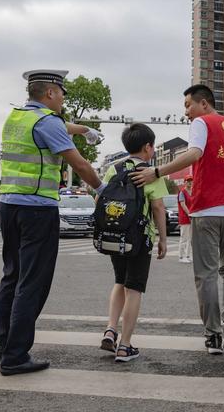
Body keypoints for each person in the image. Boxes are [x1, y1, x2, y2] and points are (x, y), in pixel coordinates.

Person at [131, 84, 224, 354]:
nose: (186, 112)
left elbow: (194, 154)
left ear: (203, 103)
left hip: (207, 208)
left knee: (206, 274)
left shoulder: (201, 123)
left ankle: (214, 335)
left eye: (188, 105)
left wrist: (156, 171)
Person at [0, 69, 107, 376]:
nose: (63, 99)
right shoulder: (48, 122)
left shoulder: (17, 118)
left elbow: (58, 127)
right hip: (37, 209)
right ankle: (16, 356)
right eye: (61, 93)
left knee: (12, 275)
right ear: (50, 94)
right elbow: (79, 164)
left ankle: (4, 341)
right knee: (33, 282)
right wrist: (103, 190)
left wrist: (82, 129)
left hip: (9, 205)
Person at [100, 123, 168, 362]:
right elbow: (158, 207)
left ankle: (110, 329)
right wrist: (162, 239)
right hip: (140, 238)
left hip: (115, 236)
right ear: (148, 147)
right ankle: (125, 346)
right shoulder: (150, 172)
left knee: (120, 281)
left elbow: (100, 197)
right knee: (134, 288)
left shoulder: (113, 168)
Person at [177, 174, 193, 263]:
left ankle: (188, 255)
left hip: (192, 218)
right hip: (185, 218)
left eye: (191, 181)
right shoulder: (182, 192)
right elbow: (183, 205)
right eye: (188, 181)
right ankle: (181, 256)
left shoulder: (193, 191)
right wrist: (190, 214)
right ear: (184, 182)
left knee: (190, 238)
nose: (190, 182)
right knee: (184, 238)